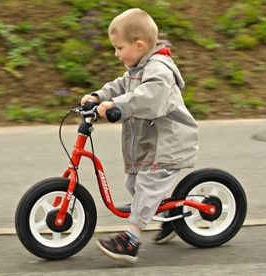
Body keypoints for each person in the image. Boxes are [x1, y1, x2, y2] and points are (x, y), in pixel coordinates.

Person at [80, 8, 199, 263]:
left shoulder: (159, 71)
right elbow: (120, 85)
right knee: (133, 184)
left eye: (119, 48)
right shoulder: (136, 68)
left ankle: (131, 239)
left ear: (140, 44)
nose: (116, 53)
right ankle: (168, 217)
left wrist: (118, 106)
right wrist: (99, 96)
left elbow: (149, 97)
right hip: (152, 143)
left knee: (146, 188)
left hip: (169, 144)